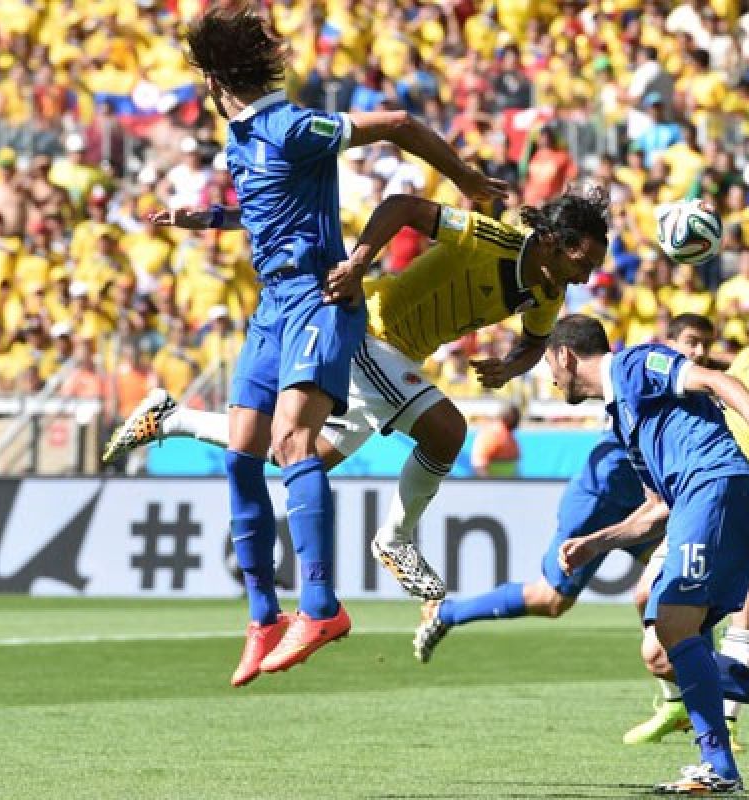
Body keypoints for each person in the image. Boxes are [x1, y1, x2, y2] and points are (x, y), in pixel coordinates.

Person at [135, 4, 505, 689]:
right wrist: (205, 218)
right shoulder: (242, 139)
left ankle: (322, 607)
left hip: (319, 299)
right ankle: (262, 616)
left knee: (293, 445)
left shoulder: (293, 125)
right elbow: (264, 205)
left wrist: (467, 181)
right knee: (244, 453)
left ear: (217, 81)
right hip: (271, 307)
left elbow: (397, 124)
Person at [105, 187, 607, 635]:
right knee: (448, 431)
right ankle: (396, 538)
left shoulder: (548, 291)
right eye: (582, 259)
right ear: (550, 242)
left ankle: (170, 418)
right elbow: (403, 206)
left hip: (399, 358)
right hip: (370, 328)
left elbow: (535, 341)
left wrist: (508, 368)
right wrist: (360, 263)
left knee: (299, 456)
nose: (587, 275)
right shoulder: (491, 237)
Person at [547, 314, 749, 794]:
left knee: (672, 622)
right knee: (663, 652)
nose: (549, 379)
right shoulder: (624, 420)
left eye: (548, 366)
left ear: (565, 356)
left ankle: (719, 766)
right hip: (705, 500)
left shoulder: (634, 364)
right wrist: (597, 543)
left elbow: (717, 379)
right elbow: (656, 509)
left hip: (715, 486)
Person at [412, 314, 713, 667]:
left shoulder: (680, 385)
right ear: (669, 346)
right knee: (551, 600)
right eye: (691, 342)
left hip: (647, 504)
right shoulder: (642, 371)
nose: (700, 352)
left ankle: (684, 690)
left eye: (706, 344)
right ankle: (447, 613)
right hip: (599, 500)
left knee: (682, 584)